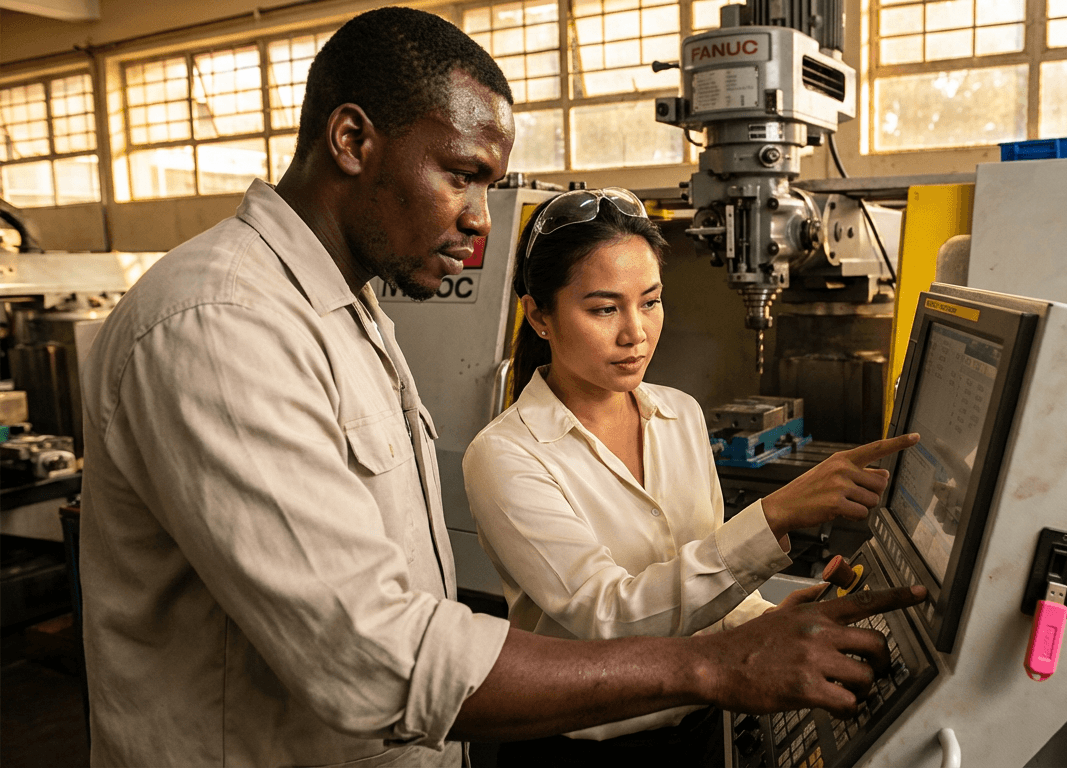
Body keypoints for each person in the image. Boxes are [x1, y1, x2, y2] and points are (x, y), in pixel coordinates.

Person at [78, 7, 924, 767]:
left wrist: (763, 630)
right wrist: (713, 665)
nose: (483, 219)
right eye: (461, 174)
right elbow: (379, 660)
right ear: (352, 140)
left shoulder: (349, 313)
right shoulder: (224, 323)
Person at [461, 187, 921, 766]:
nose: (635, 333)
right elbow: (609, 617)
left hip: (702, 727)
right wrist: (773, 514)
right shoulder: (506, 456)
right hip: (582, 751)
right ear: (539, 316)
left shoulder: (680, 413)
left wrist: (768, 621)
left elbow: (700, 576)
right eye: (604, 309)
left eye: (650, 302)